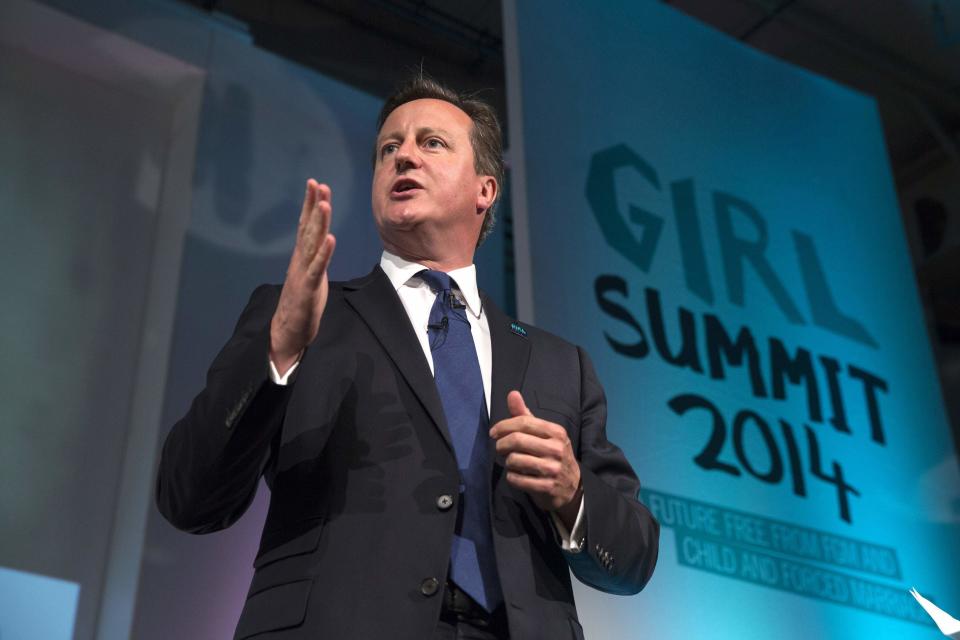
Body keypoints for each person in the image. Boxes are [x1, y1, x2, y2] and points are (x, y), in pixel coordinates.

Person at [156, 76, 659, 640]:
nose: (404, 157)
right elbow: (188, 498)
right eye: (388, 149)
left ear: (485, 190)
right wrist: (278, 351)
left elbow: (635, 556)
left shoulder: (559, 363)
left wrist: (572, 492)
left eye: (432, 143)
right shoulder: (299, 314)